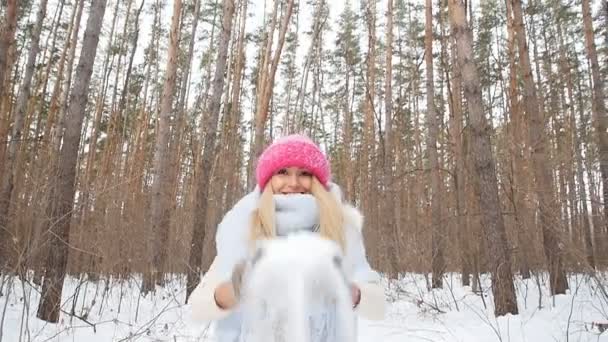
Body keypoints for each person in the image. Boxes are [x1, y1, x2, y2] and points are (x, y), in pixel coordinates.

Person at [189, 134, 386, 341]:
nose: (293, 183)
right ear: (269, 179)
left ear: (316, 180)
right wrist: (235, 290)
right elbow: (199, 307)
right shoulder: (242, 227)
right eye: (282, 172)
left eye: (304, 173)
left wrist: (348, 291)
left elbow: (378, 305)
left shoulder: (340, 229)